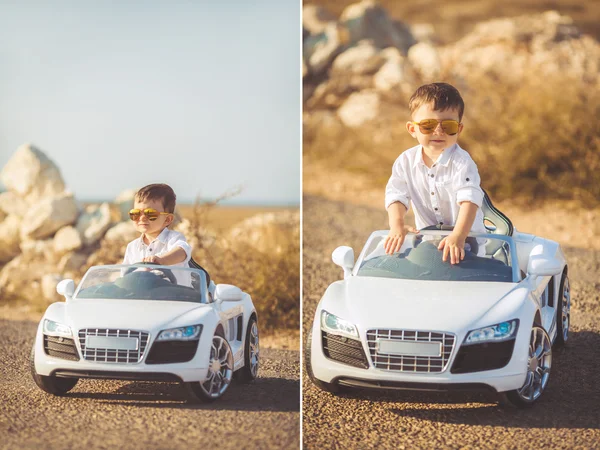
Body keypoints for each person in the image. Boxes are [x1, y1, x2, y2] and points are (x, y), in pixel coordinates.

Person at [384, 82, 486, 264]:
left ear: (459, 129)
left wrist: (458, 236)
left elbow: (469, 200)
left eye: (448, 126)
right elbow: (396, 194)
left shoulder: (462, 162)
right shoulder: (405, 161)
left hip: (468, 243)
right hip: (428, 242)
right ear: (412, 129)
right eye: (428, 125)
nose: (438, 131)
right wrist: (397, 224)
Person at [123, 183, 192, 283]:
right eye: (136, 213)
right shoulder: (132, 247)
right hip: (142, 296)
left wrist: (161, 260)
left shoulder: (174, 239)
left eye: (150, 213)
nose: (142, 218)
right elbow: (125, 275)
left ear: (167, 219)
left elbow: (183, 252)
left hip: (176, 295)